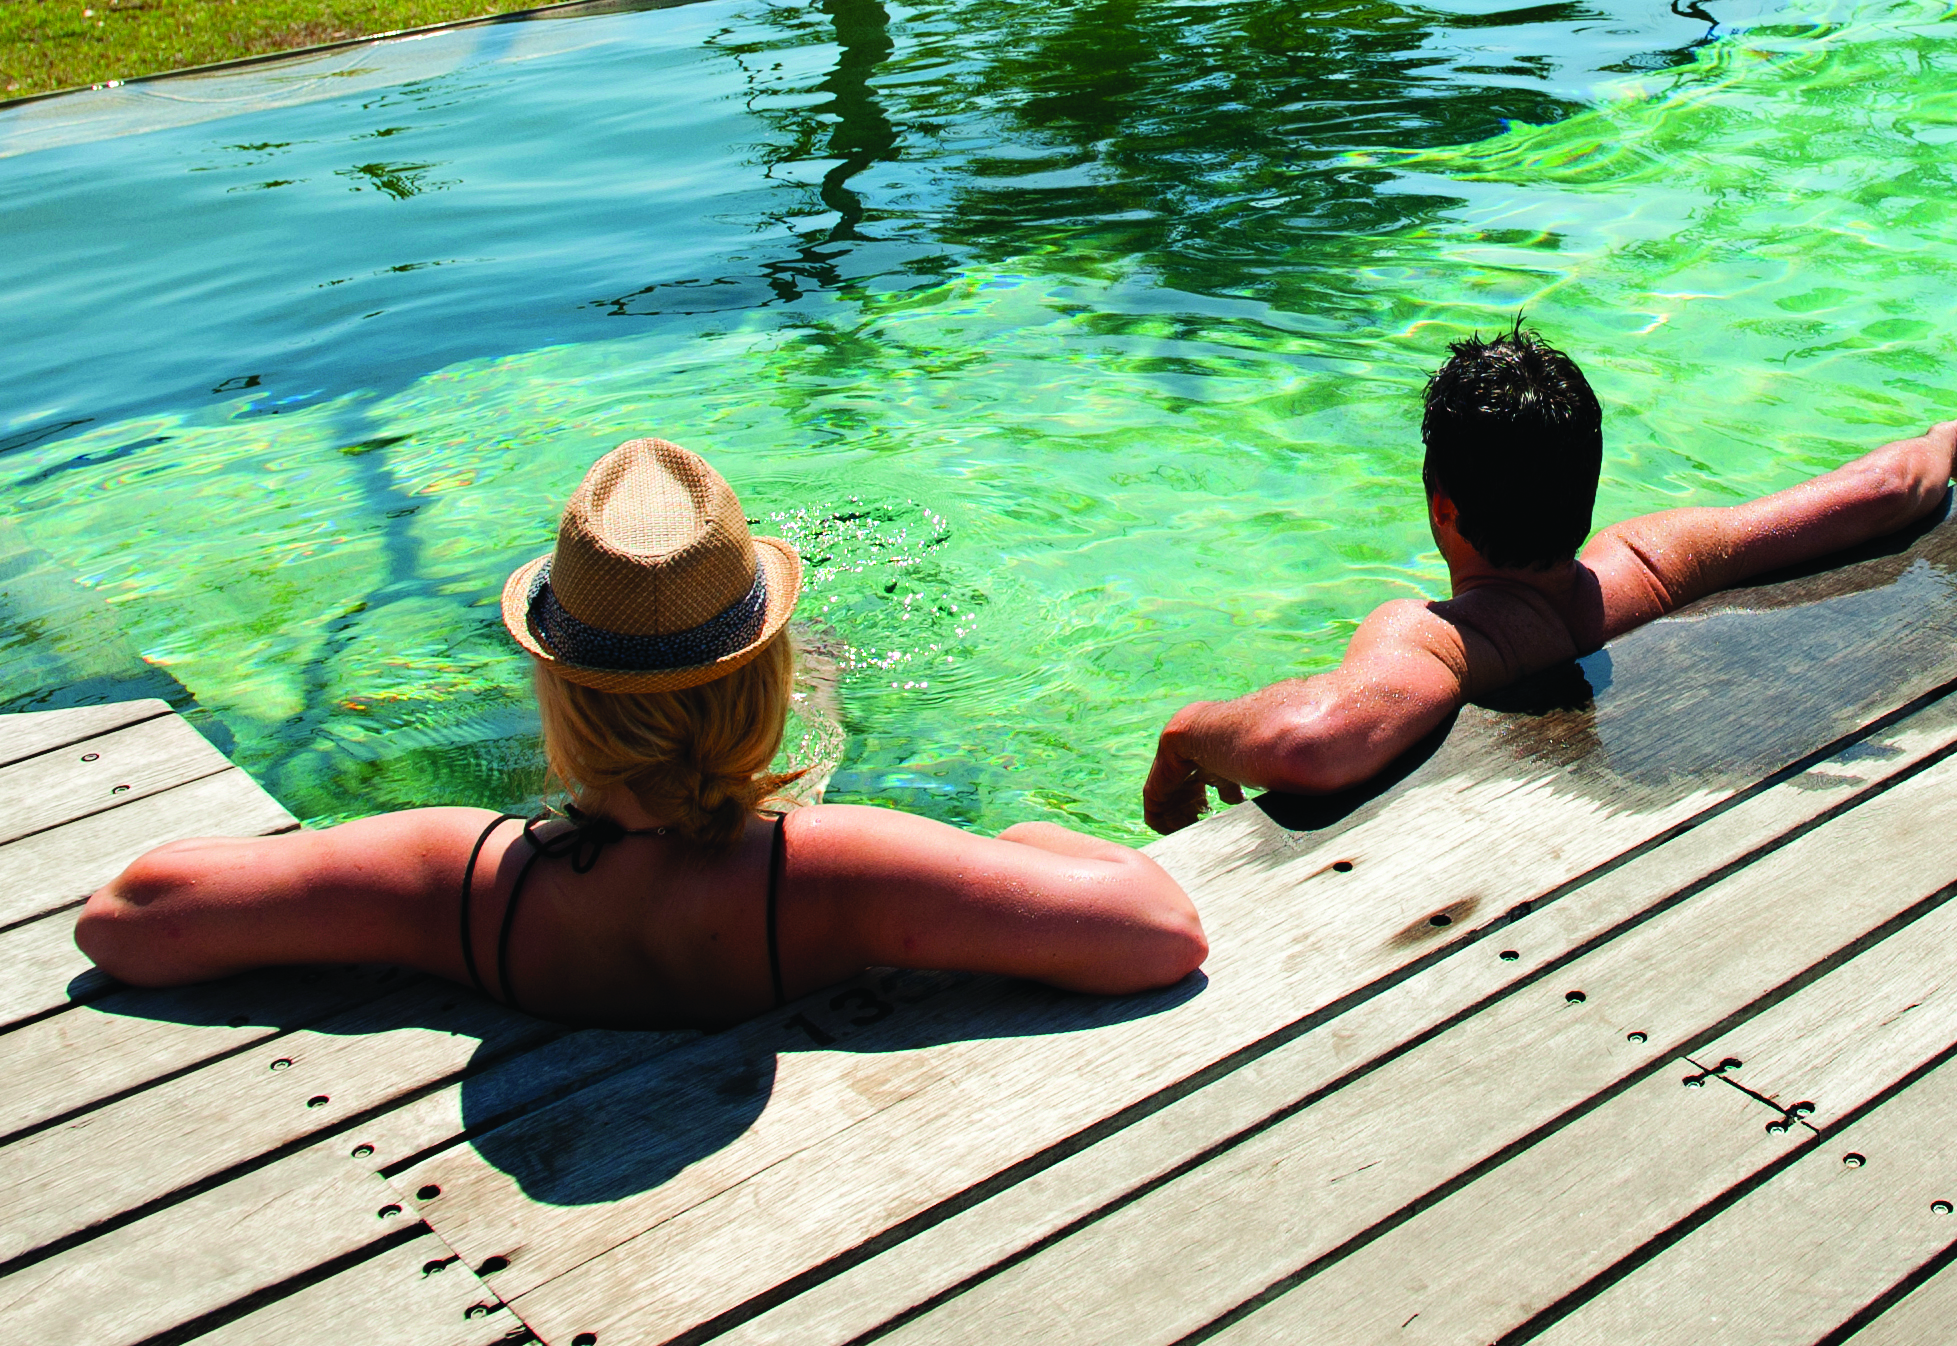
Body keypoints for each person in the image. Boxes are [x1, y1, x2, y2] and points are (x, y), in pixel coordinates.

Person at [76, 437, 1205, 1023]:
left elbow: (130, 916)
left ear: (554, 691)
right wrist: (1015, 850)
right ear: (754, 681)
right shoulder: (848, 871)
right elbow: (1155, 930)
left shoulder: (448, 879)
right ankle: (797, 704)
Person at [1140, 330, 1957, 831]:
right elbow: (1873, 494)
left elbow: (1312, 742)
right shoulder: (1648, 559)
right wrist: (1955, 441)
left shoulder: (1440, 640)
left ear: (1443, 508)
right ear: (1586, 488)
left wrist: (1185, 738)